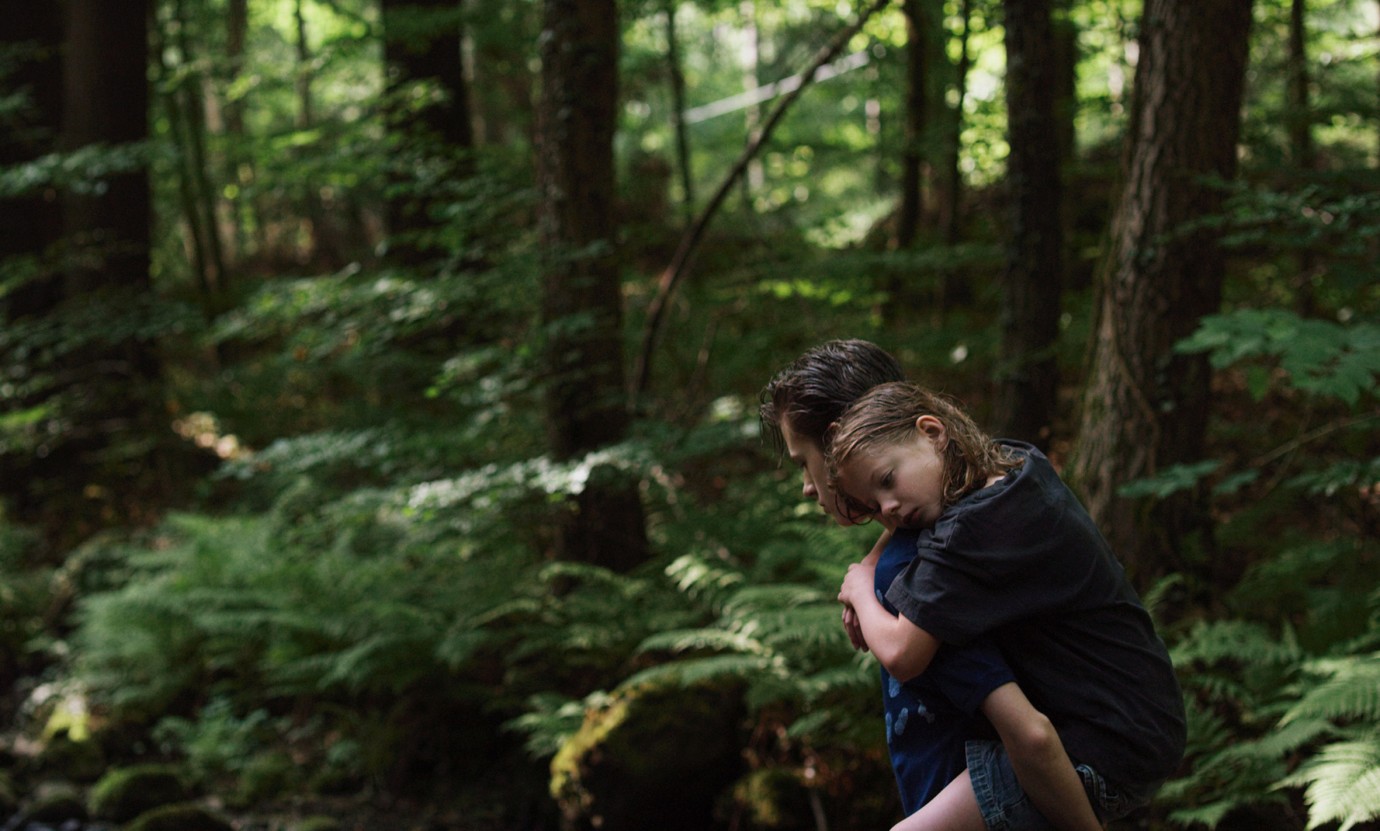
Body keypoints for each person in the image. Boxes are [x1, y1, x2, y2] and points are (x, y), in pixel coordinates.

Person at [761, 340, 1102, 831]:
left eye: (803, 461)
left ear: (840, 444)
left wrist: (869, 581)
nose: (807, 486)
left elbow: (1024, 730)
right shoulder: (978, 507)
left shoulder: (927, 577)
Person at [828, 381, 1187, 830]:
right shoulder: (1016, 467)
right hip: (1149, 717)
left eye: (887, 481)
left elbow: (903, 654)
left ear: (933, 431)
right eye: (874, 506)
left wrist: (861, 589)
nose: (890, 509)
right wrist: (875, 556)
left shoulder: (969, 535)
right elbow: (911, 510)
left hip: (1103, 744)